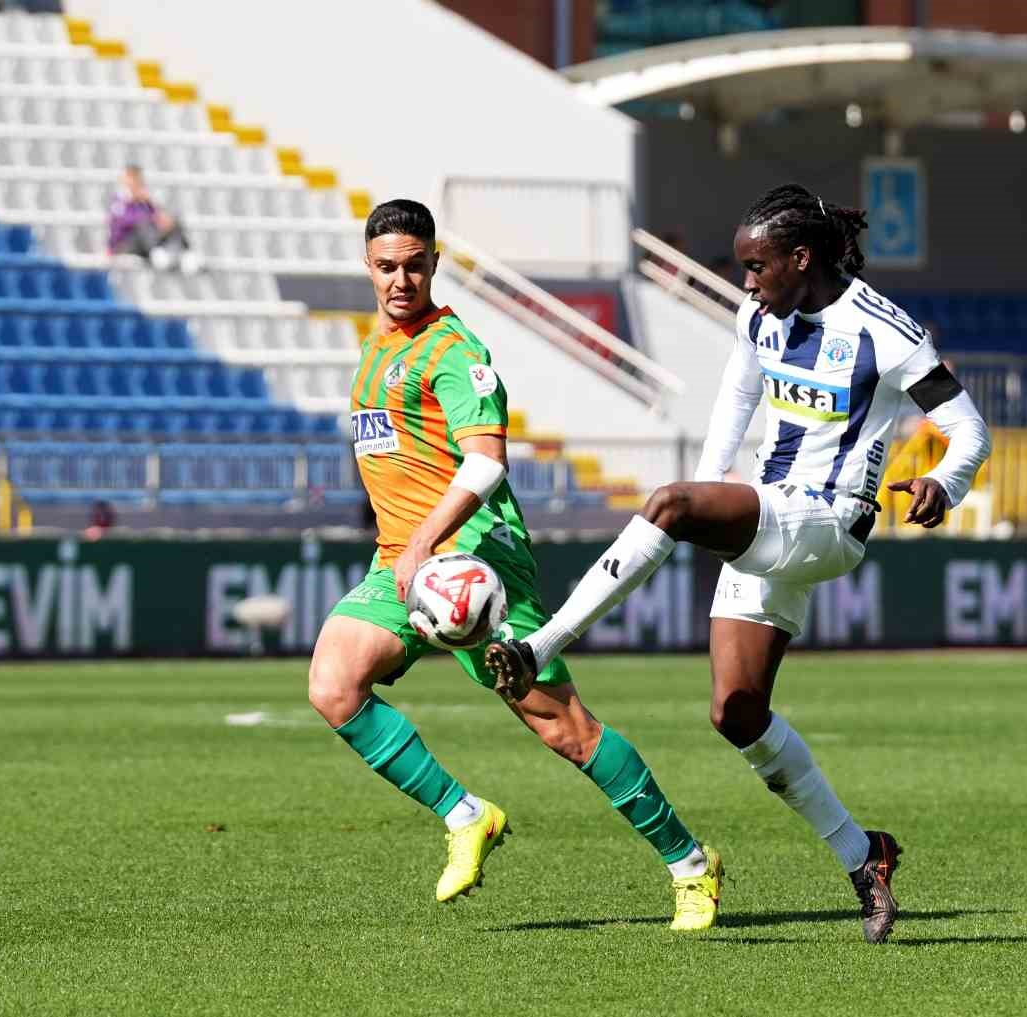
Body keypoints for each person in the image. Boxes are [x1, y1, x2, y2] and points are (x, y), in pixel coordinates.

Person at [486, 184, 992, 944]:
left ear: (802, 257)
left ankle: (539, 646)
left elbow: (969, 429)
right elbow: (735, 403)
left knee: (667, 506)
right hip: (769, 513)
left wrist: (943, 483)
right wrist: (707, 490)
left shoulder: (885, 332)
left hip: (831, 520)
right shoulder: (757, 318)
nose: (747, 281)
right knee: (736, 713)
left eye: (757, 266)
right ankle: (865, 857)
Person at [307, 199, 722, 929]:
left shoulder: (454, 352)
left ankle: (690, 865)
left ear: (435, 263)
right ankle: (467, 815)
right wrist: (406, 547)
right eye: (387, 266)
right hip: (402, 563)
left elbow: (486, 463)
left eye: (414, 265)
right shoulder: (377, 350)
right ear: (367, 266)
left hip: (472, 563)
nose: (401, 280)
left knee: (567, 731)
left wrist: (424, 540)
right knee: (333, 685)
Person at [107, 166, 203, 275]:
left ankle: (185, 253)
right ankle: (157, 253)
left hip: (145, 242)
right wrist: (133, 202)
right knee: (143, 226)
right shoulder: (119, 199)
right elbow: (122, 221)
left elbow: (156, 215)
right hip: (124, 245)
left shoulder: (144, 200)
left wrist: (153, 207)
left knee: (173, 222)